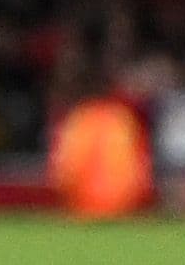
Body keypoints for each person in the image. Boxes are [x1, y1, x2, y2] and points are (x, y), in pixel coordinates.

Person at [50, 90, 153, 219]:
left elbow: (66, 166)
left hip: (84, 206)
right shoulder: (121, 117)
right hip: (120, 205)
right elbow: (140, 166)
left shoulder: (81, 117)